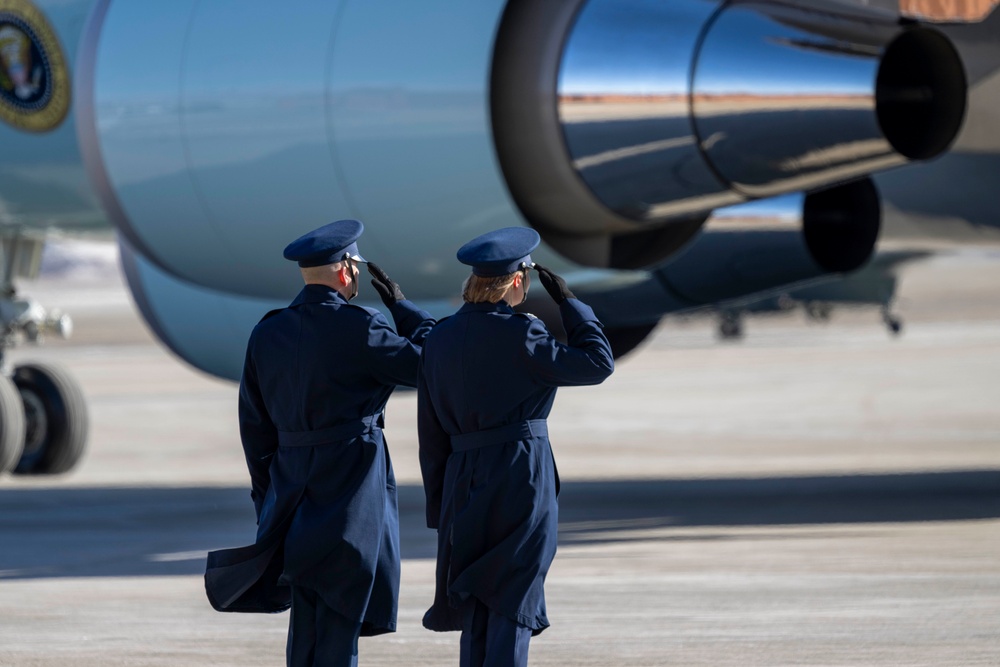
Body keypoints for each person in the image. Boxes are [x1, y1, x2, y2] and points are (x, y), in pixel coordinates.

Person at [204, 218, 435, 667]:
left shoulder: (268, 332)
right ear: (347, 270)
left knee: (305, 627)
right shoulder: (362, 327)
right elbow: (431, 365)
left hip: (289, 496)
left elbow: (254, 429)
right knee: (339, 624)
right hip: (350, 496)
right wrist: (405, 309)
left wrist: (266, 499)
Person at [417, 227, 614, 666]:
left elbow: (430, 434)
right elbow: (598, 363)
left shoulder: (440, 338)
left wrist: (440, 507)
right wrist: (571, 305)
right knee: (512, 598)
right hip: (518, 477)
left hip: (461, 481)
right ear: (519, 281)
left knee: (478, 606)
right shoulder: (523, 334)